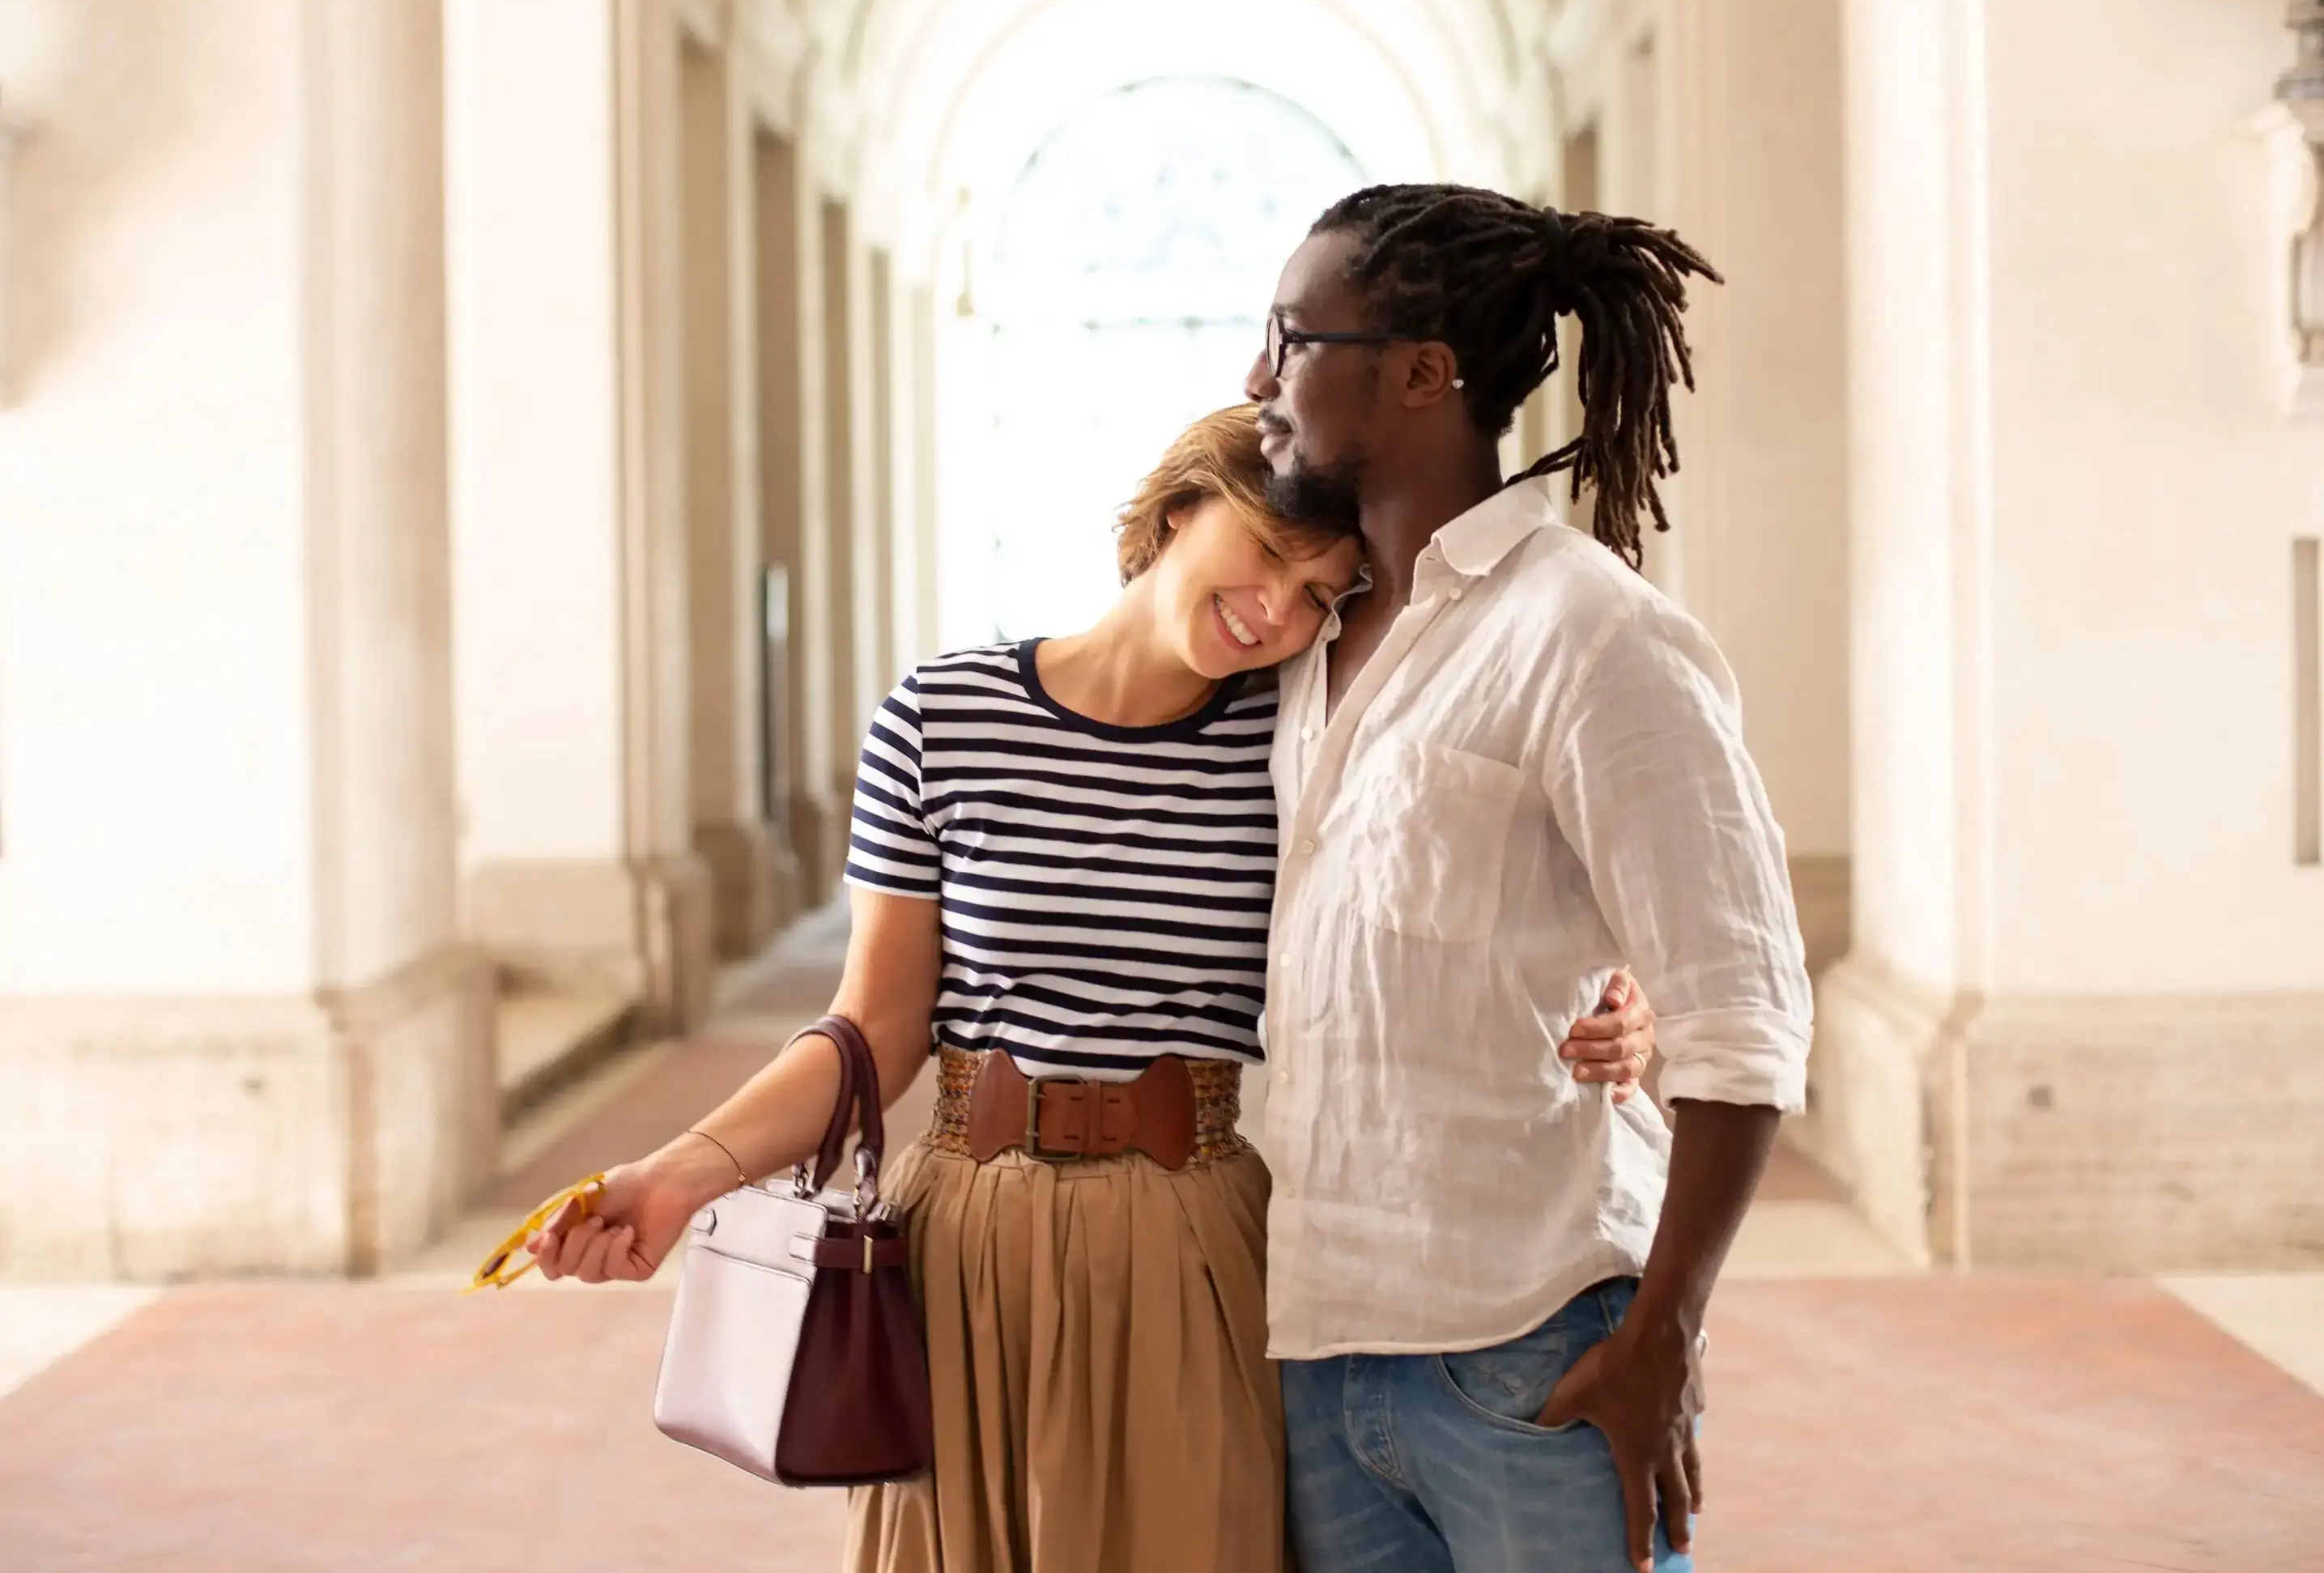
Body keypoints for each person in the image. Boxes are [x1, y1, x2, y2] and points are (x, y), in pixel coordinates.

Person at [526, 405, 1660, 1573]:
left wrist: (1610, 994)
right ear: (1180, 507)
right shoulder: (939, 715)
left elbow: (1457, 896)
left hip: (1193, 1237)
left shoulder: (1297, 740)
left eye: (1321, 594)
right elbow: (874, 1026)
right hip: (967, 1241)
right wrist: (677, 1174)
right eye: (1268, 552)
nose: (1278, 609)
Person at [1243, 185, 1812, 1573]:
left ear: (1425, 372)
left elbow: (1744, 1019)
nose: (1257, 378)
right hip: (1318, 1352)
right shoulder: (1299, 647)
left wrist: (1661, 1338)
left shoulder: (1593, 632)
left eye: (1289, 337)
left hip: (1532, 1358)